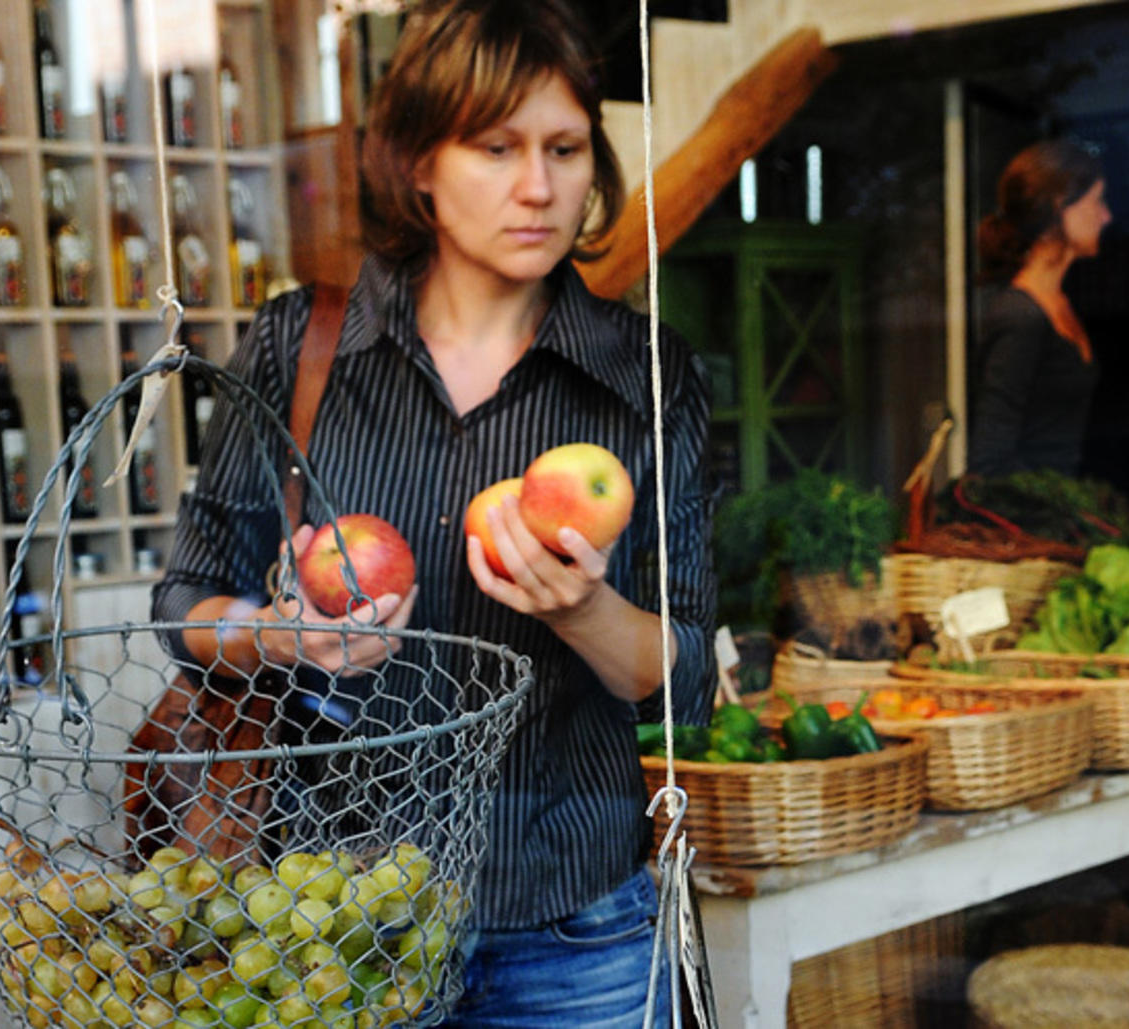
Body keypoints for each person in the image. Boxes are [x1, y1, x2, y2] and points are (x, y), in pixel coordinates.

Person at [150, 0, 716, 1024]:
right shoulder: (300, 349)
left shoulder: (643, 373)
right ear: (419, 164)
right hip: (331, 921)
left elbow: (684, 679)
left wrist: (580, 609)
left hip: (570, 928)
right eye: (495, 148)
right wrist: (286, 635)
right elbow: (185, 602)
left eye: (564, 147)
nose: (538, 187)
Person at [967, 139, 1112, 477]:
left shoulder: (1059, 303)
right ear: (1061, 204)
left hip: (1066, 507)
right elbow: (990, 460)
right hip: (1035, 518)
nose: (1107, 216)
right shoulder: (1020, 317)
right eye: (1097, 201)